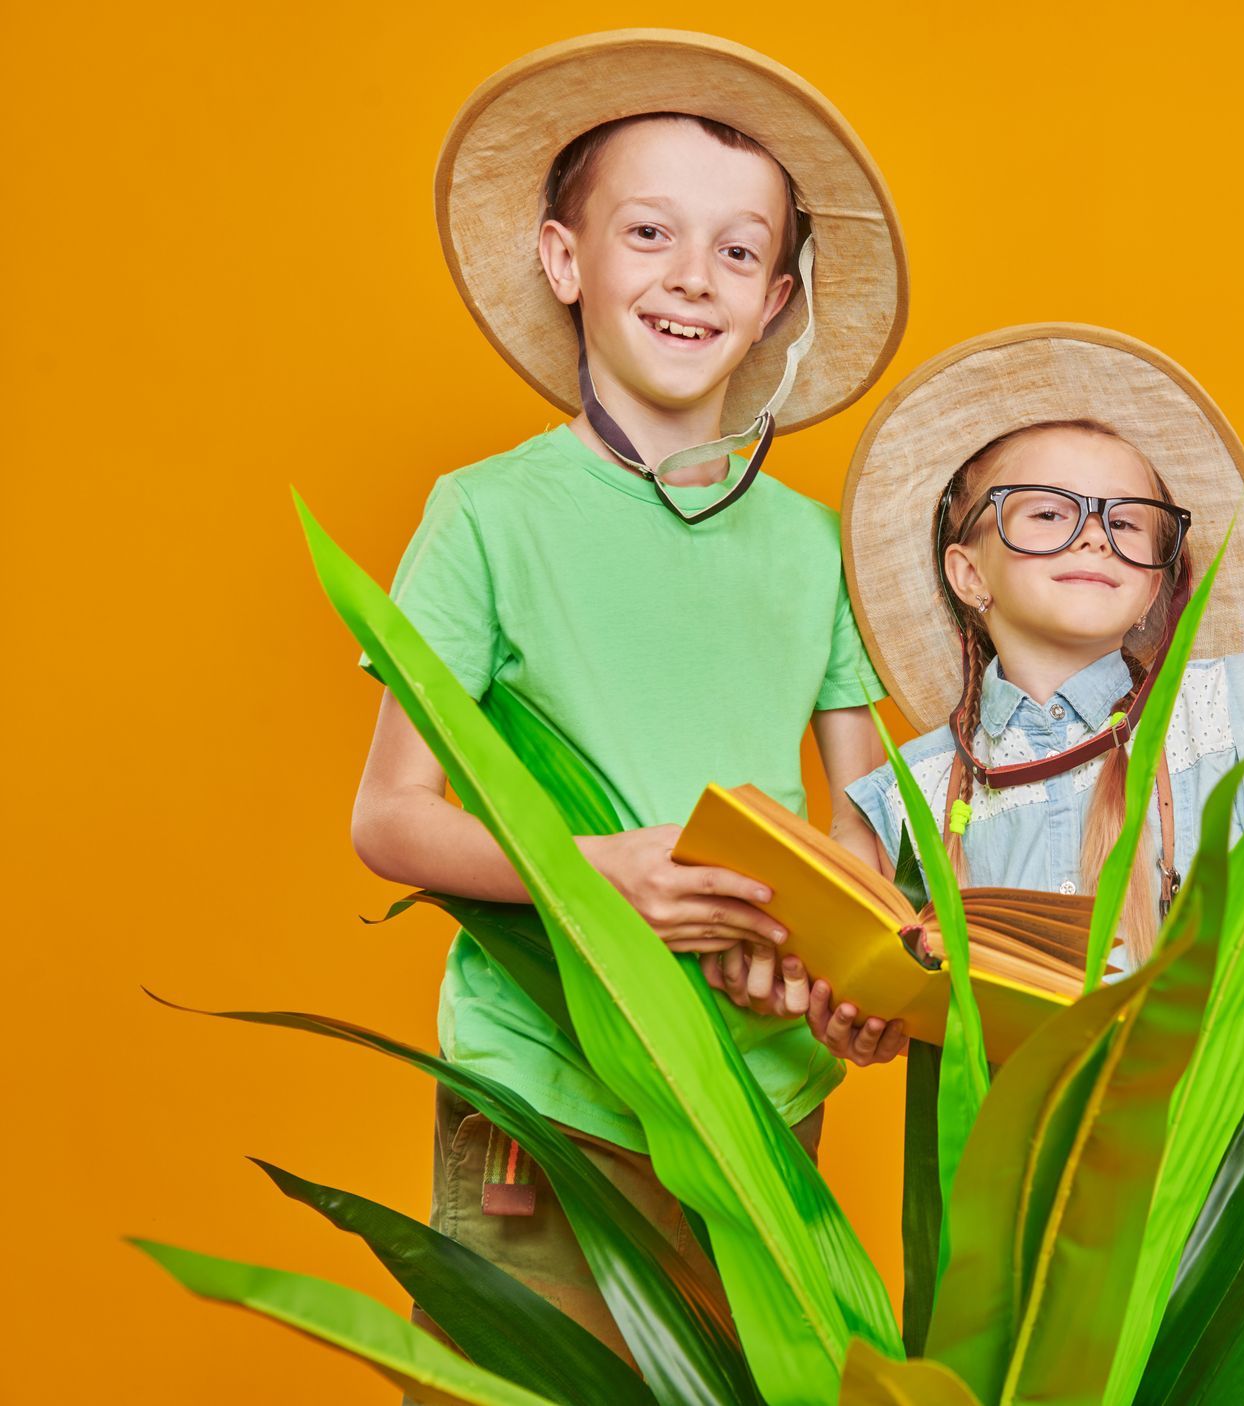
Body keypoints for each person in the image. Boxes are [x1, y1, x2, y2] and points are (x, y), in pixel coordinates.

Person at [833, 265, 1244, 1402]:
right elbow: (850, 963)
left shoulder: (1203, 715)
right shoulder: (914, 786)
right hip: (1024, 1236)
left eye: (1128, 521)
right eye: (1046, 512)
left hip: (1201, 1190)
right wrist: (857, 1009)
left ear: (1158, 576)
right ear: (968, 568)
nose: (1092, 536)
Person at [349, 29, 909, 1364]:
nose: (691, 278)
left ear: (776, 298)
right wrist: (599, 871)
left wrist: (840, 953)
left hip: (761, 1103)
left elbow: (865, 816)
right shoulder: (484, 517)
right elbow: (389, 818)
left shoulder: (815, 544)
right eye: (649, 231)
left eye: (737, 250)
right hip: (549, 1100)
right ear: (566, 260)